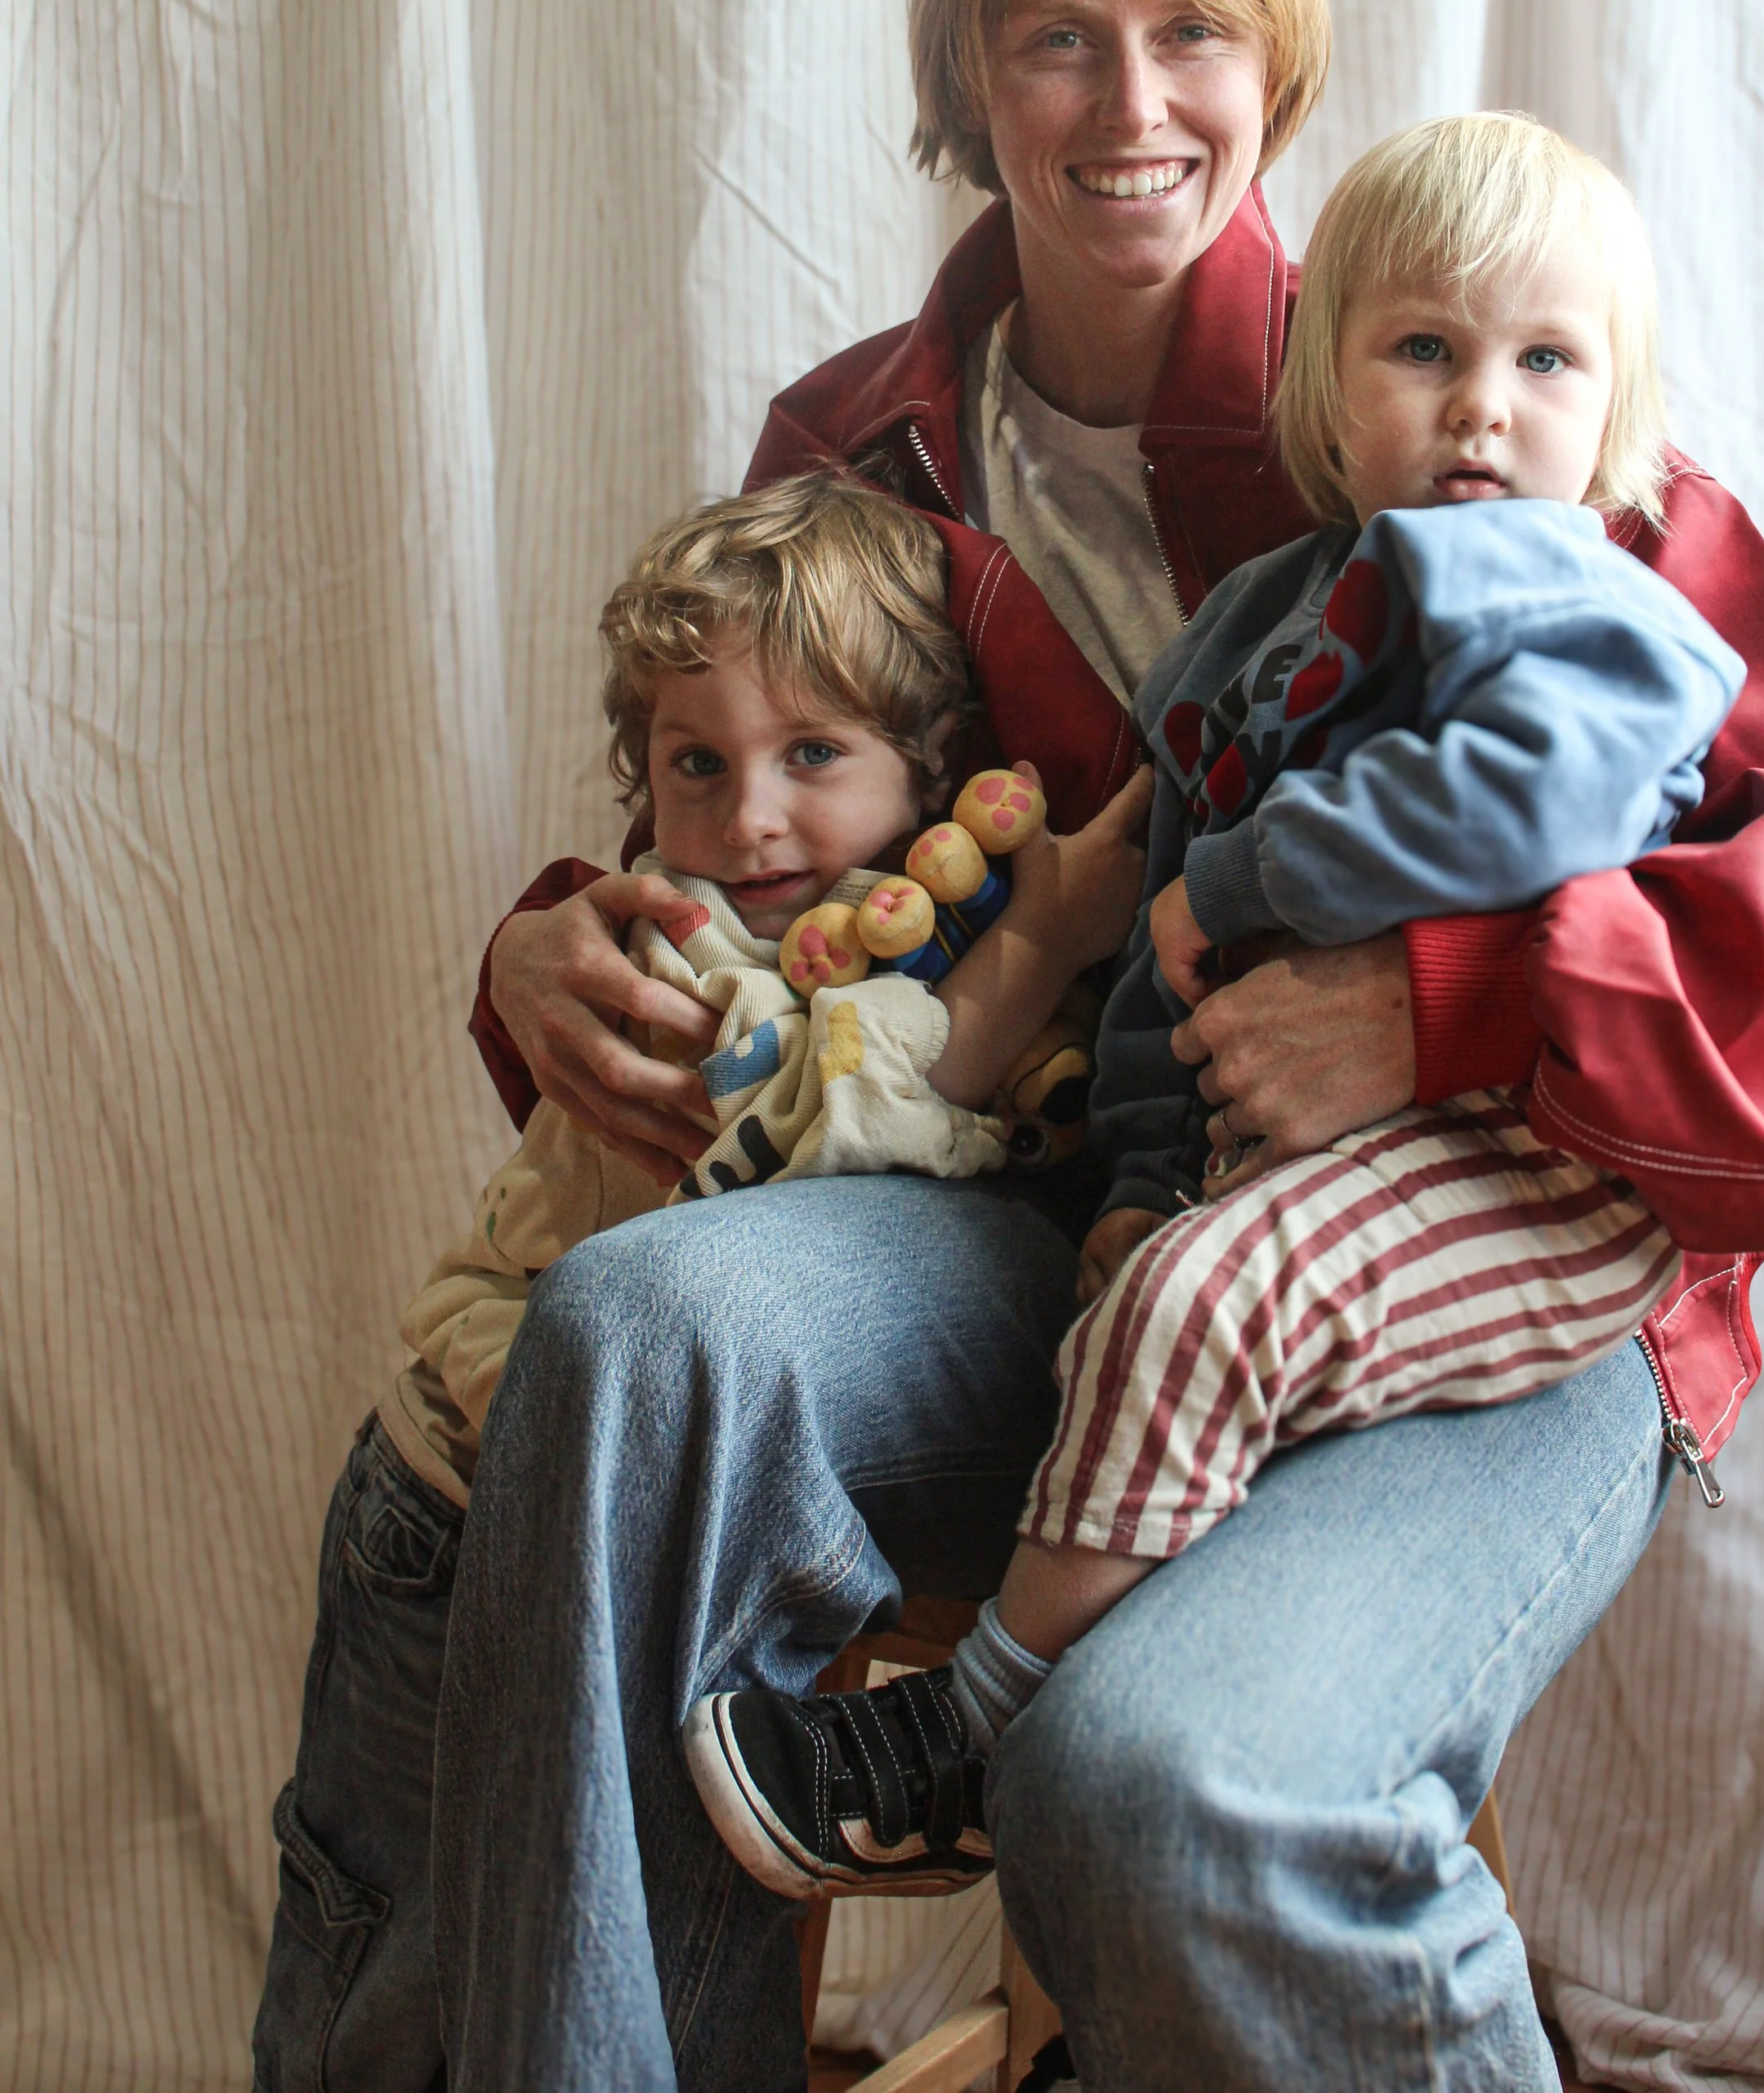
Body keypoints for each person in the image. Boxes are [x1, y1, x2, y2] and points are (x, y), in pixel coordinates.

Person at [437, 0, 1764, 2092]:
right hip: (1052, 1219)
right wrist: (551, 954)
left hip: (1490, 1254)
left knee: (1153, 1775)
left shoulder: (1480, 390)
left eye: (1190, 29)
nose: (1129, 97)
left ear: (1277, 69)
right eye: (1054, 35)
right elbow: (760, 818)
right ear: (964, 84)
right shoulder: (856, 446)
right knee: (635, 1325)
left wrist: (1444, 998)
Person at [680, 113, 1749, 1897]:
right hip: (1291, 1161)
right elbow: (1166, 973)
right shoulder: (1245, 634)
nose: (1481, 406)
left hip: (1534, 1168)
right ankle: (1107, 1984)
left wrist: (1251, 878)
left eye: (1542, 361)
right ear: (1327, 396)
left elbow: (1528, 805)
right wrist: (1127, 1177)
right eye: (1423, 350)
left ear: (1612, 418)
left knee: (1201, 1301)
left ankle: (969, 1729)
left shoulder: (1579, 597)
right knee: (1131, 1311)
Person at [252, 471, 1150, 2093]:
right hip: (445, 1514)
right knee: (385, 1959)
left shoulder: (895, 940)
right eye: (694, 765)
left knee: (597, 1910)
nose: (747, 818)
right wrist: (1037, 947)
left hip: (629, 1506)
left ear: (928, 774)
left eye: (813, 757)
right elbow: (812, 1136)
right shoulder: (689, 963)